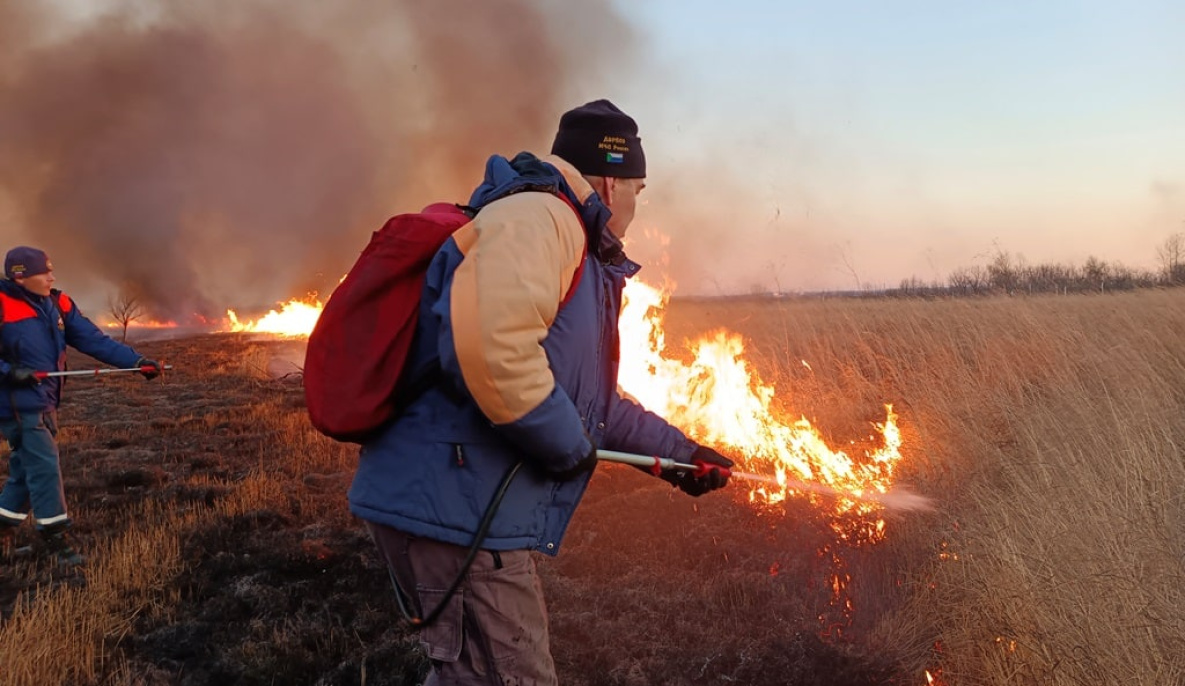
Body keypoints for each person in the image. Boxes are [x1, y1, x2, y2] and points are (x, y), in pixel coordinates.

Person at [349, 99, 735, 684]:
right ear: (609, 180)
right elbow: (490, 347)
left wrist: (679, 457)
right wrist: (562, 442)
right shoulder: (542, 220)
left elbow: (595, 407)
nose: (637, 204)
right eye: (638, 188)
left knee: (466, 673)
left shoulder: (566, 234)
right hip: (458, 510)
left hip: (458, 503)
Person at [0, 246, 163, 566]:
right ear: (20, 278)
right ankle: (56, 539)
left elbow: (93, 340)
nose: (52, 276)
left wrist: (136, 362)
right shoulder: (2, 305)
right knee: (44, 465)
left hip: (46, 399)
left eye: (51, 270)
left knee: (25, 468)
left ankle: (3, 526)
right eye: (43, 272)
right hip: (18, 404)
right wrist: (10, 372)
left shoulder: (58, 303)